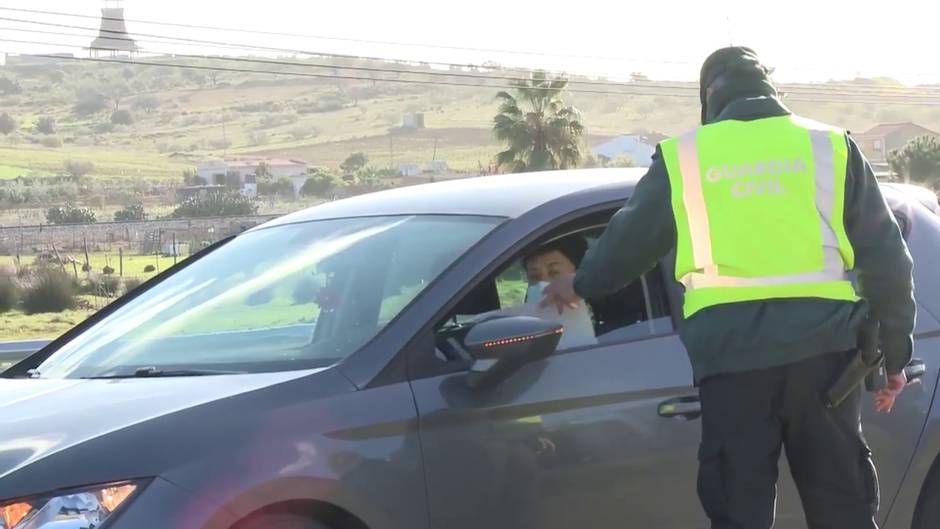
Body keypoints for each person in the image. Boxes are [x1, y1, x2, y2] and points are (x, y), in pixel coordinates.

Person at [541, 46, 915, 529]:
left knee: (740, 511)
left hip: (733, 365)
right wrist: (895, 355)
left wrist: (580, 282)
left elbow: (626, 247)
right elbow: (888, 260)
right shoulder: (832, 146)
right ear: (771, 90)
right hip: (826, 364)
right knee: (842, 509)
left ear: (709, 99)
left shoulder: (685, 157)